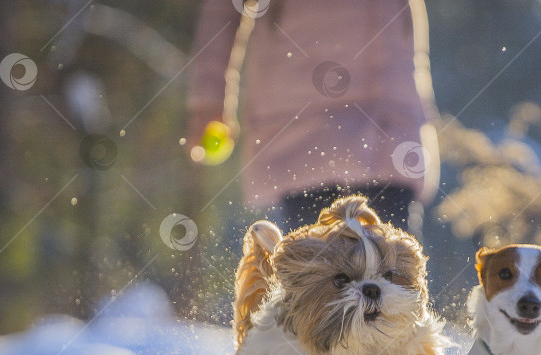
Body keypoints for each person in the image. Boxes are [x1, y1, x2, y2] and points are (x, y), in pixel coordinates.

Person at [187, 0, 439, 233]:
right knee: (319, 266)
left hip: (388, 113)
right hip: (302, 115)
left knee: (394, 268)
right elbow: (223, 8)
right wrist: (208, 103)